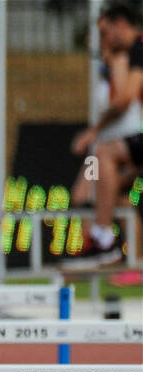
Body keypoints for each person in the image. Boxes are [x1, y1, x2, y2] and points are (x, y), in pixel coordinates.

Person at [69, 3, 143, 266]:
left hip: (128, 138)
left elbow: (125, 99)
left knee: (103, 157)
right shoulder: (125, 57)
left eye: (105, 32)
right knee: (100, 191)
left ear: (120, 25)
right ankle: (117, 252)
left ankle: (102, 237)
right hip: (123, 143)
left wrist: (93, 132)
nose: (103, 39)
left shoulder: (132, 53)